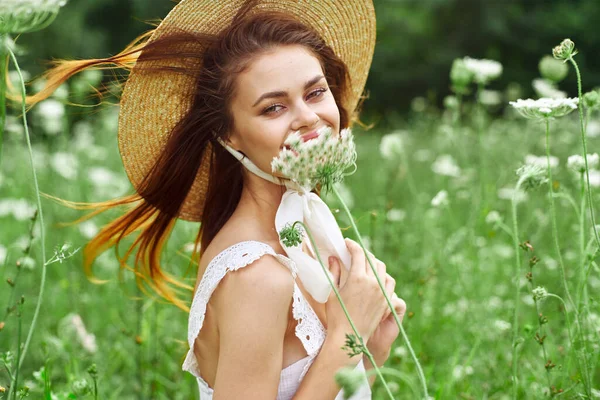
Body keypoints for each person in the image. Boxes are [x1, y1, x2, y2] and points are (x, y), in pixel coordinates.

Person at [29, 0, 407, 398]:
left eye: (315, 92)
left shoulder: (304, 236)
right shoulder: (255, 275)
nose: (308, 117)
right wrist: (347, 337)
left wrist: (369, 353)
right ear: (229, 136)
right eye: (273, 107)